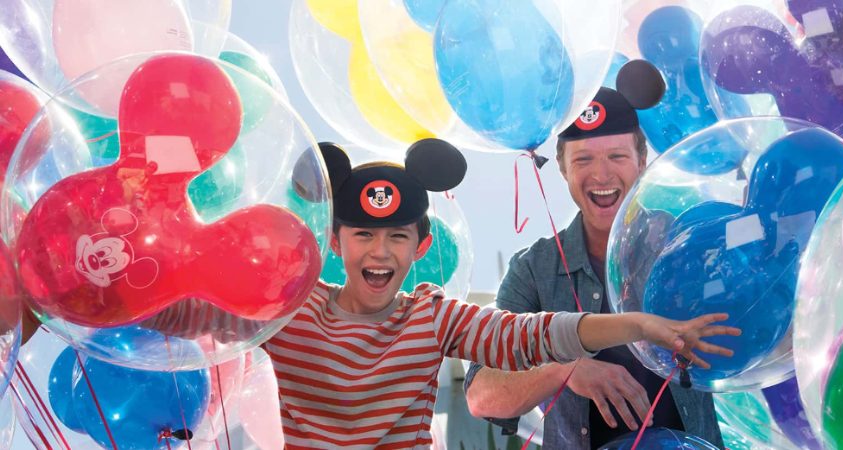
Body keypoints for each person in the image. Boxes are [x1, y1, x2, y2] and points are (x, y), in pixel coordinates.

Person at [18, 138, 738, 450]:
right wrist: (65, 280)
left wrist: (643, 323)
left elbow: (539, 334)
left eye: (396, 238)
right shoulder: (289, 310)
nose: (379, 252)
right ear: (336, 244)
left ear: (420, 249)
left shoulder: (432, 315)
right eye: (363, 234)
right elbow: (183, 307)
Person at [464, 80, 726, 447]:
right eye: (584, 159)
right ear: (562, 168)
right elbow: (481, 395)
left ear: (642, 160)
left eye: (616, 156)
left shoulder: (687, 244)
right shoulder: (533, 271)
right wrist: (564, 370)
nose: (601, 175)